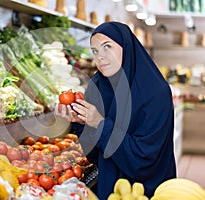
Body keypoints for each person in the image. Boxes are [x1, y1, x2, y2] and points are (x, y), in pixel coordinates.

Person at [55, 21, 176, 199]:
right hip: (110, 187)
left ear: (126, 47)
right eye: (95, 50)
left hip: (149, 190)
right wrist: (81, 123)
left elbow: (144, 160)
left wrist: (100, 124)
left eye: (107, 47)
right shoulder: (98, 85)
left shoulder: (156, 92)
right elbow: (96, 155)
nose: (100, 57)